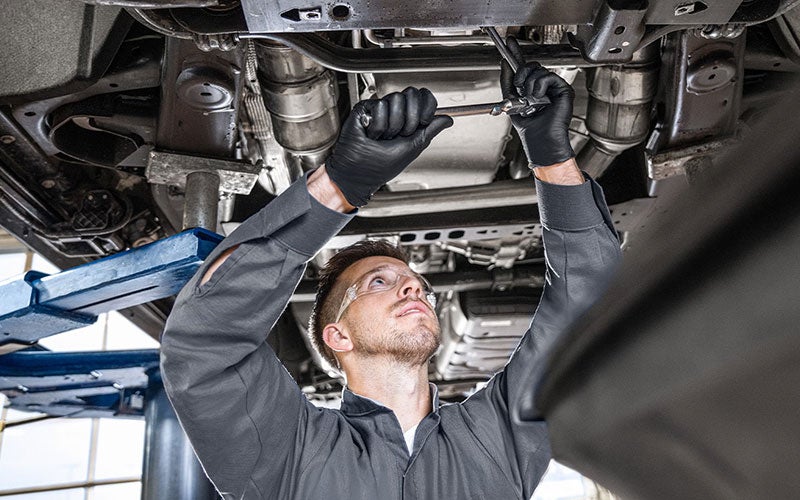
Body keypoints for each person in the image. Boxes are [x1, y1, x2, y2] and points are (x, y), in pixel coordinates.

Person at [161, 38, 622, 499]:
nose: (414, 291)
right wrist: (339, 185)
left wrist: (551, 156)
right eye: (379, 282)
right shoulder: (288, 452)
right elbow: (204, 341)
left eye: (419, 286)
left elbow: (588, 307)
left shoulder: (497, 433)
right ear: (337, 335)